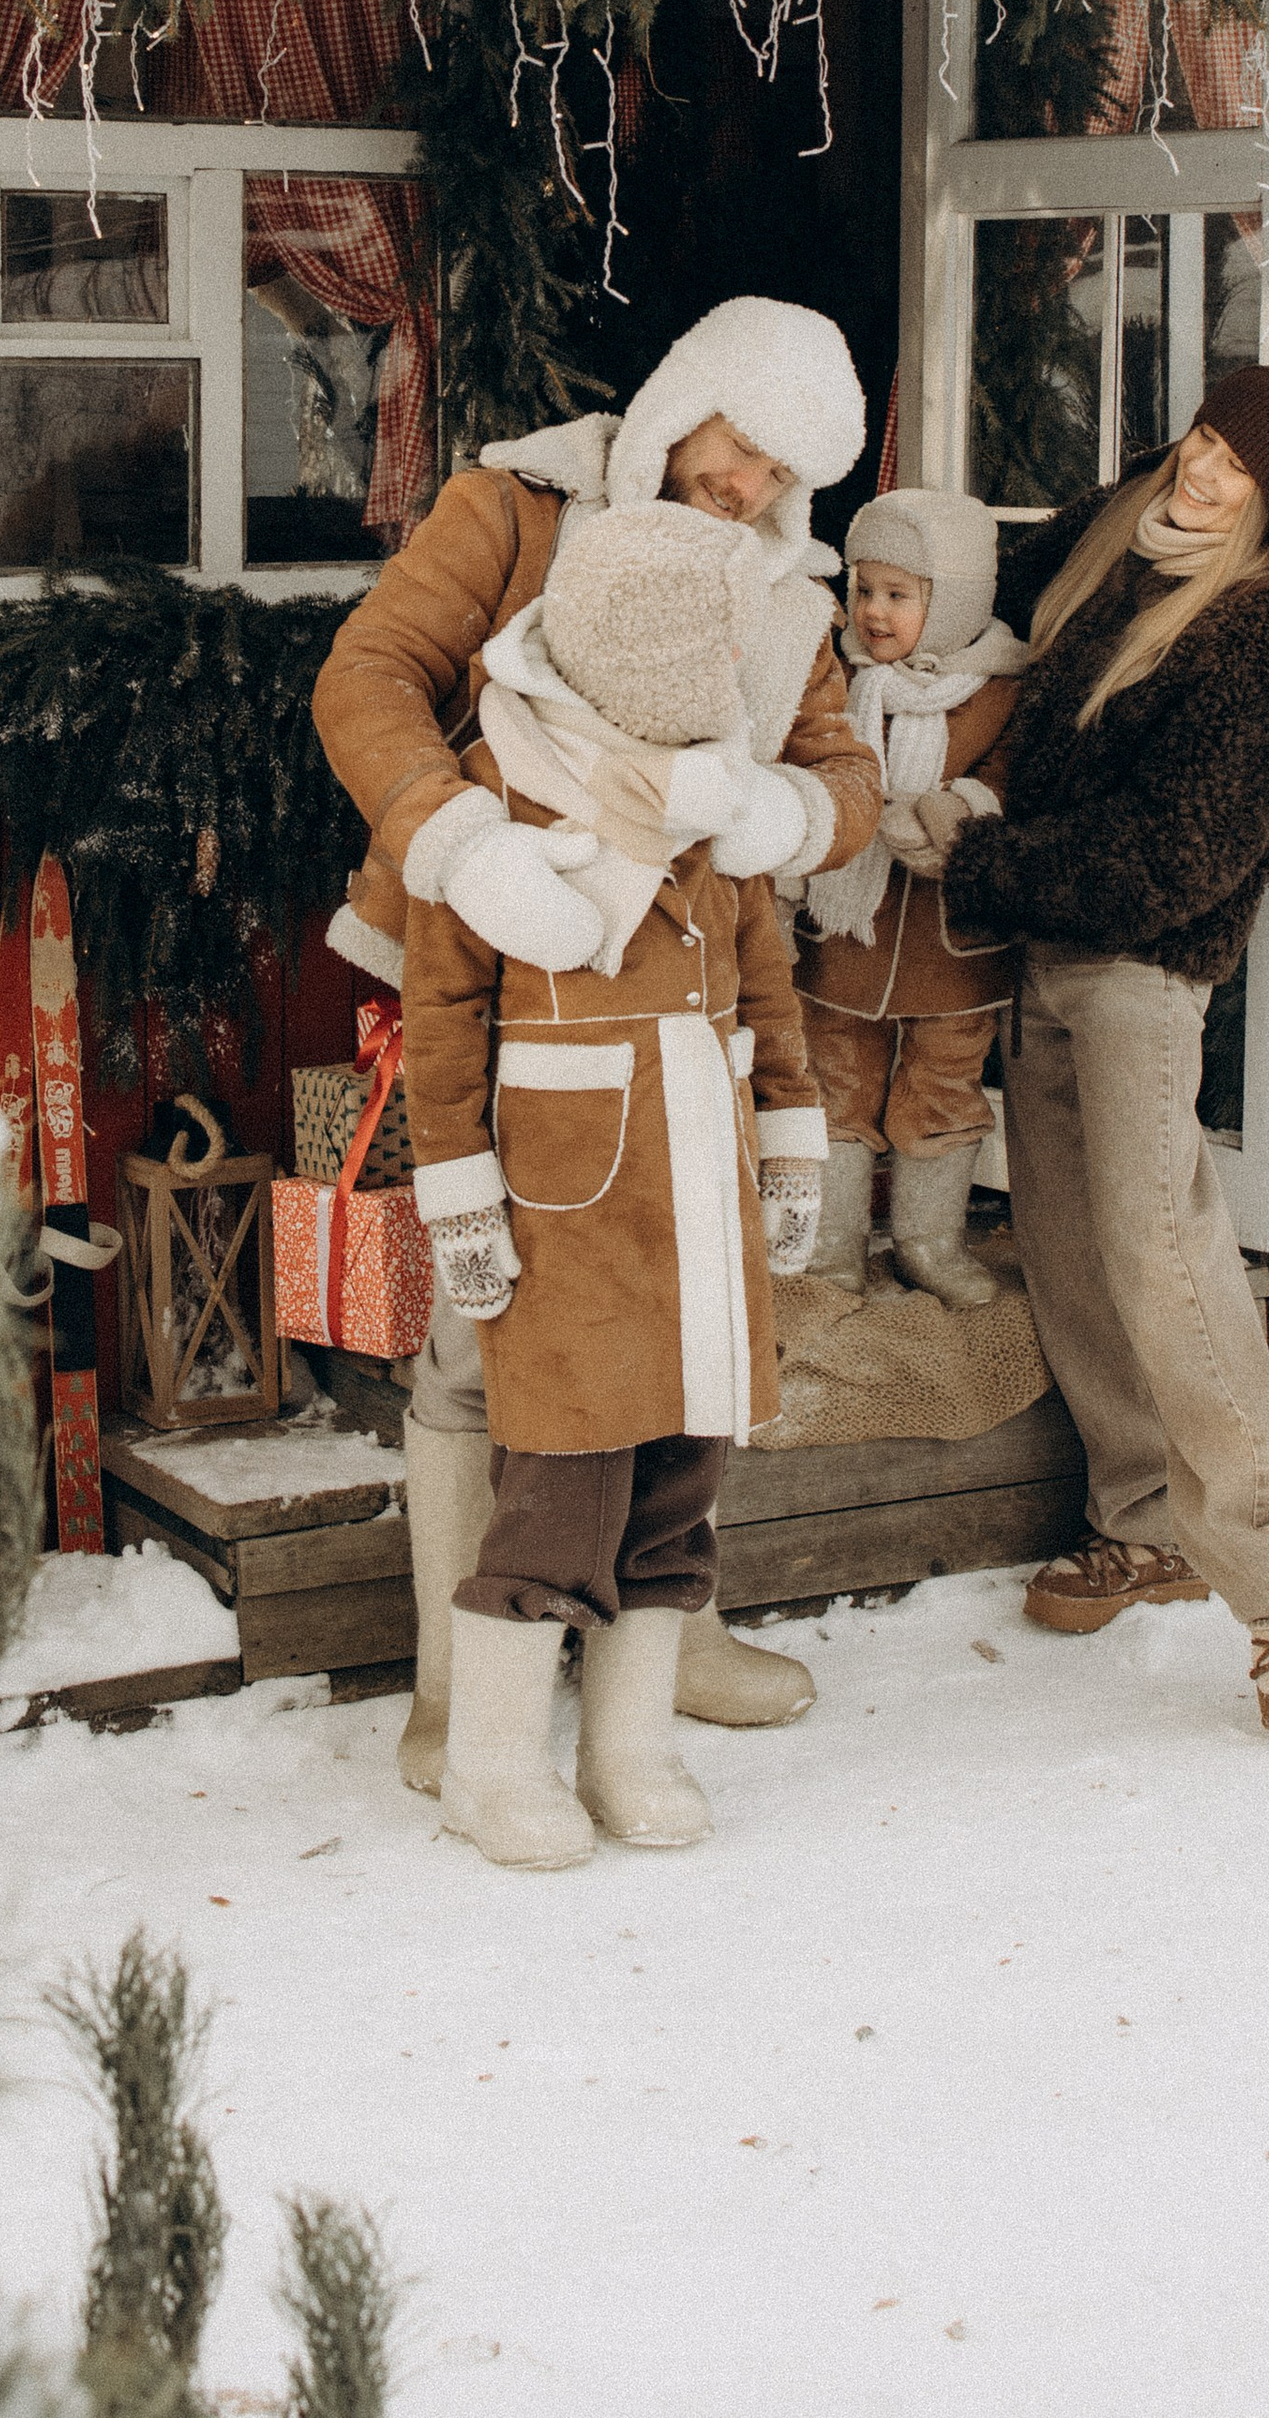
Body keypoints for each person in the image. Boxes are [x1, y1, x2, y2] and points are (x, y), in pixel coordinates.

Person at [311, 297, 881, 1782]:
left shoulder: (785, 595)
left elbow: (846, 783)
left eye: (780, 473)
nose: (746, 487)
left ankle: (664, 1636)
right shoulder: (516, 509)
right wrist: (463, 843)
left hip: (683, 1010)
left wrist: (775, 815)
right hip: (483, 971)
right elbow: (363, 681)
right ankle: (455, 1683)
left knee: (686, 1315)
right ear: (685, 395)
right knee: (474, 1330)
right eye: (737, 446)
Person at [941, 362, 1269, 1746]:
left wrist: (979, 858)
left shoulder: (1256, 658)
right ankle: (1145, 1519)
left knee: (1163, 1256)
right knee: (1068, 1239)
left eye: (1232, 471)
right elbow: (984, 583)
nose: (1199, 475)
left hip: (1136, 970)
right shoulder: (1116, 537)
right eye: (1201, 441)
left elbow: (1164, 862)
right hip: (1047, 953)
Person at [402, 504, 831, 1869]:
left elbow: (769, 987)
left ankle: (629, 1746)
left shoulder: (719, 805)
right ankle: (490, 1764)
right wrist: (461, 1199)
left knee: (679, 1480)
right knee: (560, 1488)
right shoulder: (491, 810)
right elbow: (440, 1023)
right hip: (571, 1212)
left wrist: (789, 1140)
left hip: (699, 1201)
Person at [792, 488, 1025, 1310]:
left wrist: (960, 807)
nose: (875, 612)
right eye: (864, 590)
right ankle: (833, 1241)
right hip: (846, 931)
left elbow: (1009, 780)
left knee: (943, 1082)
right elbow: (809, 756)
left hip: (948, 937)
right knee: (835, 1076)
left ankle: (929, 1239)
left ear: (952, 598)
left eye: (900, 594)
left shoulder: (999, 688)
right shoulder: (835, 676)